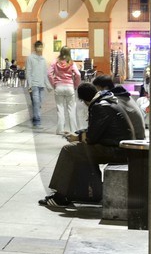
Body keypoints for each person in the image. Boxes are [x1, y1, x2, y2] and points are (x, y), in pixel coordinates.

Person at [39, 81, 133, 209]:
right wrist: (78, 134)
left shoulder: (100, 107)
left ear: (83, 100)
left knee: (69, 150)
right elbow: (96, 129)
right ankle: (77, 193)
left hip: (118, 151)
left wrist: (77, 137)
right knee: (79, 151)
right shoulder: (105, 102)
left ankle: (60, 197)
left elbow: (92, 137)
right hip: (120, 147)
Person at [49, 47, 81, 135]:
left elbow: (49, 74)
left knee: (60, 108)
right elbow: (78, 74)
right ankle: (73, 130)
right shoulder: (71, 62)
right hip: (69, 87)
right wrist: (75, 85)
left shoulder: (55, 62)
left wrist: (54, 84)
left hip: (59, 86)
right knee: (71, 109)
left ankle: (60, 130)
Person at [25, 39, 52, 130]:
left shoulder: (43, 59)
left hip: (41, 85)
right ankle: (37, 121)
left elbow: (45, 73)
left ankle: (35, 118)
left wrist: (48, 85)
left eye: (41, 47)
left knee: (39, 103)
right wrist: (29, 85)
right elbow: (28, 71)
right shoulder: (30, 58)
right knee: (36, 102)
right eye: (38, 47)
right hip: (34, 84)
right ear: (35, 48)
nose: (40, 49)